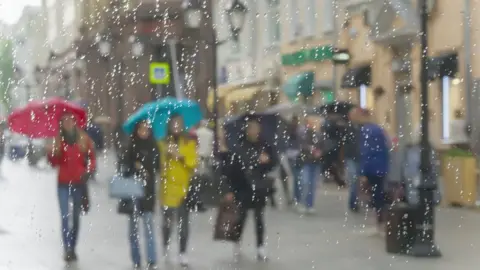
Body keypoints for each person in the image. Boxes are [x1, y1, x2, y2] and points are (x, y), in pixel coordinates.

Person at [223, 118, 277, 261]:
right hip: (243, 187)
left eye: (256, 129)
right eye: (251, 129)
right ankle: (237, 242)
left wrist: (267, 160)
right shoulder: (239, 148)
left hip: (259, 187)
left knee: (259, 218)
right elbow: (231, 170)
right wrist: (230, 189)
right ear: (247, 131)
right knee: (241, 217)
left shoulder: (264, 146)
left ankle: (260, 247)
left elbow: (272, 164)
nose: (254, 132)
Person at [46, 113, 96, 262]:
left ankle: (73, 247)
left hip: (78, 183)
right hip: (62, 183)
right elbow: (54, 163)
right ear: (62, 123)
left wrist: (88, 171)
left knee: (75, 218)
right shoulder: (58, 140)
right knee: (64, 217)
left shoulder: (83, 139)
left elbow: (92, 158)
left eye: (70, 120)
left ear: (75, 122)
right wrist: (50, 153)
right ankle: (67, 248)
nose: (68, 123)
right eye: (65, 120)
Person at [117, 120, 160, 269]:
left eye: (146, 129)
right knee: (133, 230)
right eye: (141, 129)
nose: (144, 132)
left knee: (149, 226)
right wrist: (133, 166)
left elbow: (158, 166)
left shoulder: (153, 146)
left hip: (148, 192)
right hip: (133, 192)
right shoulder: (130, 146)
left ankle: (151, 258)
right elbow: (122, 167)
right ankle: (136, 259)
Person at [157, 114, 197, 267]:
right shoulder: (163, 143)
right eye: (173, 124)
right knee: (167, 223)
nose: (176, 127)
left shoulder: (188, 142)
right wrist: (166, 155)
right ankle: (165, 245)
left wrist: (180, 157)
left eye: (179, 125)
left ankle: (182, 252)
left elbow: (193, 163)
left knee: (184, 223)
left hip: (183, 188)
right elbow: (158, 166)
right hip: (167, 189)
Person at [355, 109, 389, 235]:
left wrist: (363, 172)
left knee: (374, 196)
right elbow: (385, 148)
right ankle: (381, 223)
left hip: (371, 168)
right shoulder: (379, 129)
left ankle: (379, 224)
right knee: (379, 194)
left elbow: (366, 151)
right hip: (381, 166)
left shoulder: (366, 130)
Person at [299, 118, 330, 214]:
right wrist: (309, 148)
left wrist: (320, 152)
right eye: (311, 123)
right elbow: (301, 146)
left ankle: (310, 204)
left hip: (316, 162)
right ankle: (303, 203)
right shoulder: (303, 134)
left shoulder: (319, 135)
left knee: (312, 185)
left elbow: (324, 147)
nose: (313, 125)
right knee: (305, 183)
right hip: (306, 162)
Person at [345, 109, 362, 212]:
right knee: (354, 180)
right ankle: (353, 203)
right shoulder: (348, 128)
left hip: (359, 157)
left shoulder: (362, 128)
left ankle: (354, 201)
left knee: (357, 181)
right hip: (351, 157)